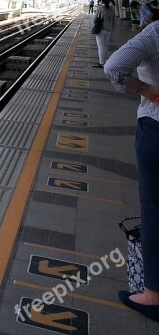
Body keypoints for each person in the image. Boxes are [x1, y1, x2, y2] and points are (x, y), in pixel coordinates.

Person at [103, 20, 159, 320]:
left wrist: (149, 92)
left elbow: (115, 67)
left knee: (154, 210)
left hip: (156, 130)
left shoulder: (157, 32)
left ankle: (153, 294)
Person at [92, 0, 117, 68]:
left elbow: (94, 19)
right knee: (105, 46)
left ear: (102, 0)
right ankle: (104, 61)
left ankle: (102, 63)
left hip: (101, 29)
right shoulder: (112, 9)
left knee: (100, 46)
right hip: (109, 30)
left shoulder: (100, 8)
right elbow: (113, 20)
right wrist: (112, 29)